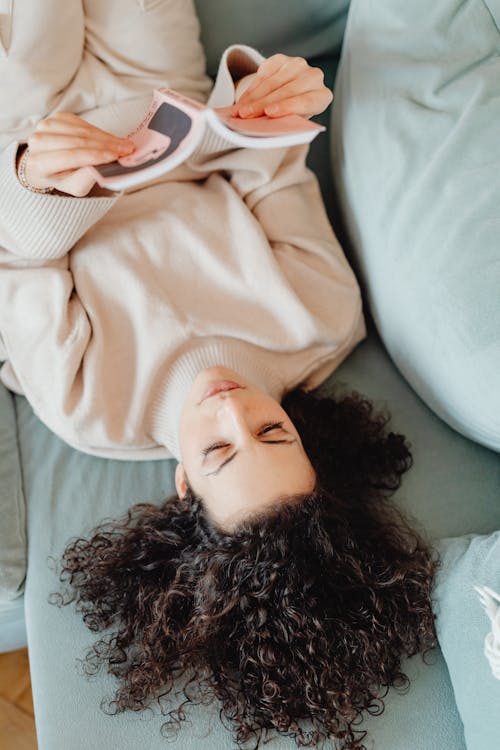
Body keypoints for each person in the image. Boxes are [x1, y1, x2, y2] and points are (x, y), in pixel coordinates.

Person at [0, 2, 437, 748]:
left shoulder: (91, 410)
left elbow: (18, 262)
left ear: (182, 487)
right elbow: (269, 171)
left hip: (31, 129)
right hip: (162, 97)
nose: (232, 409)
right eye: (273, 431)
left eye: (219, 452)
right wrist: (265, 102)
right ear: (307, 439)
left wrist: (41, 180)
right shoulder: (323, 319)